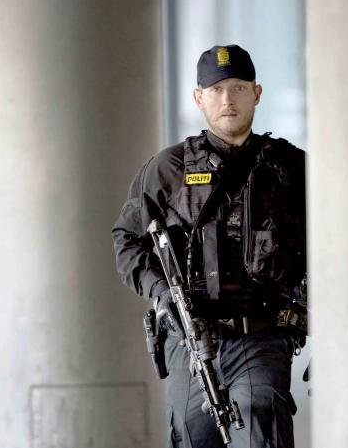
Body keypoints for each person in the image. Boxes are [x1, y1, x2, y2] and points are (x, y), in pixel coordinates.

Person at [112, 44, 307, 448]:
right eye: (216, 90)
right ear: (199, 99)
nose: (227, 100)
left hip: (263, 333)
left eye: (238, 88)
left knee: (261, 424)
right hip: (190, 336)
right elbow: (128, 240)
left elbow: (333, 245)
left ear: (256, 93)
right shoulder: (168, 169)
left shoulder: (289, 168)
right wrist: (161, 292)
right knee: (191, 434)